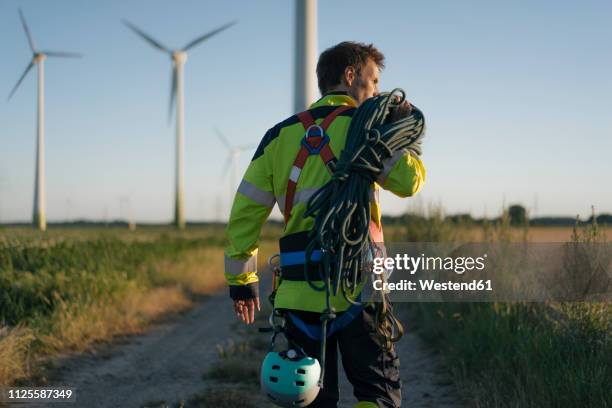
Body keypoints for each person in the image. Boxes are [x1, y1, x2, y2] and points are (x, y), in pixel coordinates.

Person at [224, 41, 426, 408]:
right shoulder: (368, 131)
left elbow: (246, 212)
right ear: (350, 76)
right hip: (359, 289)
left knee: (311, 397)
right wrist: (400, 131)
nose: (378, 92)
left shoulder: (279, 136)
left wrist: (242, 280)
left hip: (300, 295)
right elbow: (409, 183)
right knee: (377, 394)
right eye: (374, 81)